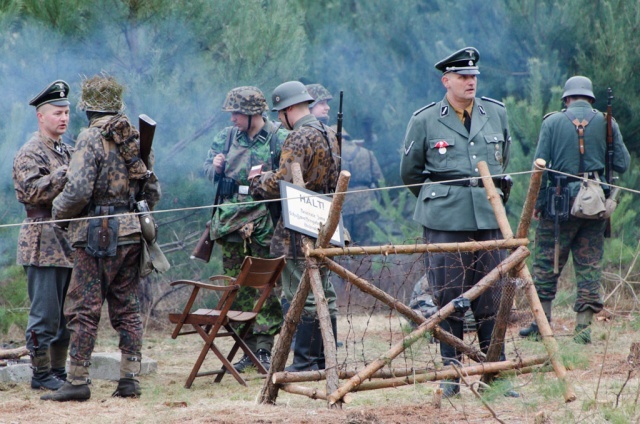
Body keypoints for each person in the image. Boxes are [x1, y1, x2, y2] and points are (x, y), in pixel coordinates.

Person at [400, 47, 516, 398]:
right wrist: (443, 197)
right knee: (449, 294)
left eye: (474, 77)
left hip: (488, 211)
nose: (470, 82)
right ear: (446, 80)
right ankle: (451, 370)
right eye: (463, 77)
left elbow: (503, 159)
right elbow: (410, 174)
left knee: (492, 294)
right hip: (445, 217)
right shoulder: (424, 120)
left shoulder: (495, 113)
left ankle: (493, 370)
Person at [43, 74, 161, 402]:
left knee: (84, 307)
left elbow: (78, 190)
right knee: (127, 306)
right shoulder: (136, 138)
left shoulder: (90, 137)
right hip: (132, 234)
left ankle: (77, 380)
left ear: (89, 109)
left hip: (96, 236)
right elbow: (153, 190)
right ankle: (129, 379)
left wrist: (58, 215)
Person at [519, 76, 630, 344]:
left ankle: (541, 323)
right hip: (594, 206)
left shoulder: (552, 122)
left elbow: (540, 167)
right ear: (590, 98)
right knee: (589, 266)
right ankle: (583, 330)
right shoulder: (607, 122)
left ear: (566, 99)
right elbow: (623, 164)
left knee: (546, 263)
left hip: (558, 205)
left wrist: (538, 204)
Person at [250, 81, 340, 372]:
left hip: (299, 226)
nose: (279, 119)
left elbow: (284, 181)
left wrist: (259, 181)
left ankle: (305, 361)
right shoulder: (330, 133)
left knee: (302, 293)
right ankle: (326, 359)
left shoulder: (298, 137)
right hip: (326, 220)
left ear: (290, 109)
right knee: (325, 292)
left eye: (280, 113)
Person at [202, 86, 288, 372]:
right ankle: (246, 347)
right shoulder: (224, 138)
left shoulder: (278, 139)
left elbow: (289, 176)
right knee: (235, 283)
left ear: (254, 114)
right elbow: (205, 171)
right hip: (230, 219)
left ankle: (263, 347)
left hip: (264, 219)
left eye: (237, 114)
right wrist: (213, 167)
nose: (233, 119)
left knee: (265, 284)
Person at [12, 80, 74, 391]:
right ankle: (40, 374)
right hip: (42, 243)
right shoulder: (30, 152)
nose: (63, 118)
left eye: (66, 112)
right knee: (45, 315)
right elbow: (31, 191)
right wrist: (67, 173)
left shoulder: (68, 150)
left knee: (65, 317)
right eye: (57, 113)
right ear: (41, 116)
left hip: (67, 243)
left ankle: (57, 371)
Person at [332, 126, 384, 245]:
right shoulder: (367, 153)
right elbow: (380, 180)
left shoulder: (332, 155)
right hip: (366, 203)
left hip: (341, 204)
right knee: (365, 244)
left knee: (342, 244)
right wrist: (377, 201)